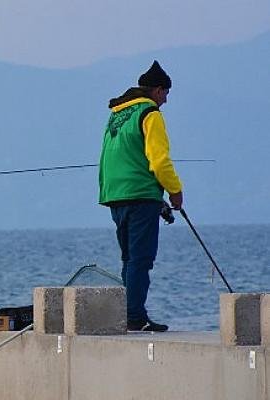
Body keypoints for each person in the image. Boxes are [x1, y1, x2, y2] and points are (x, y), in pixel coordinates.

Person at [98, 60, 183, 332]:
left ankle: (128, 312)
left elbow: (119, 156)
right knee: (141, 259)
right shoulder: (150, 113)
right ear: (157, 90)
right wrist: (175, 191)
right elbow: (159, 161)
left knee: (128, 258)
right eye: (166, 94)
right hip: (140, 194)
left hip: (114, 193)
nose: (166, 100)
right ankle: (134, 315)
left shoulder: (117, 115)